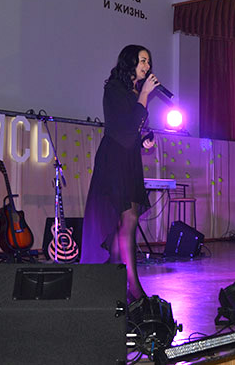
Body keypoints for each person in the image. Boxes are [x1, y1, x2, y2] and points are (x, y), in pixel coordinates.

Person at [80, 44, 159, 303]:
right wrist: (144, 94)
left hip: (129, 160)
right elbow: (123, 129)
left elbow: (132, 132)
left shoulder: (134, 91)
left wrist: (144, 140)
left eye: (148, 61)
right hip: (114, 160)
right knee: (127, 219)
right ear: (130, 62)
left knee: (125, 223)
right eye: (142, 60)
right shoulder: (114, 89)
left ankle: (116, 285)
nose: (147, 66)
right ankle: (133, 288)